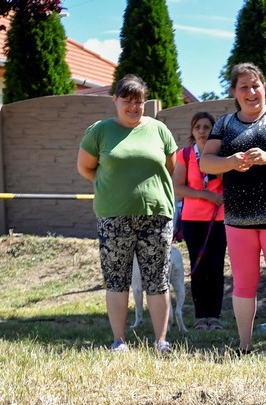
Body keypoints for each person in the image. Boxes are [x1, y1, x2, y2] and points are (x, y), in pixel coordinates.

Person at [200, 63, 266, 359]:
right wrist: (230, 162)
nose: (251, 92)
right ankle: (244, 346)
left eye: (255, 85)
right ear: (234, 92)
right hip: (237, 220)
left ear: (264, 86)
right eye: (244, 87)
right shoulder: (223, 124)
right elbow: (206, 163)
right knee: (243, 283)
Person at [78, 74, 178, 354]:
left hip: (156, 215)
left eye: (139, 102)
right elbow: (85, 167)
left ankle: (161, 341)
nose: (133, 107)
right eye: (127, 101)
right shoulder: (100, 131)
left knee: (157, 280)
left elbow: (169, 166)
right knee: (117, 279)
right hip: (114, 216)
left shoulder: (159, 130)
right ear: (116, 100)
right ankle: (119, 340)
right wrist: (110, 186)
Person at [173, 111, 227, 331]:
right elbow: (177, 187)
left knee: (216, 267)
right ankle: (200, 316)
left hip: (219, 218)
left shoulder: (222, 153)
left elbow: (228, 182)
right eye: (198, 127)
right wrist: (205, 195)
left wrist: (214, 159)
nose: (202, 131)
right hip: (192, 219)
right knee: (198, 267)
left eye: (207, 127)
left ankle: (214, 316)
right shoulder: (184, 155)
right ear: (192, 132)